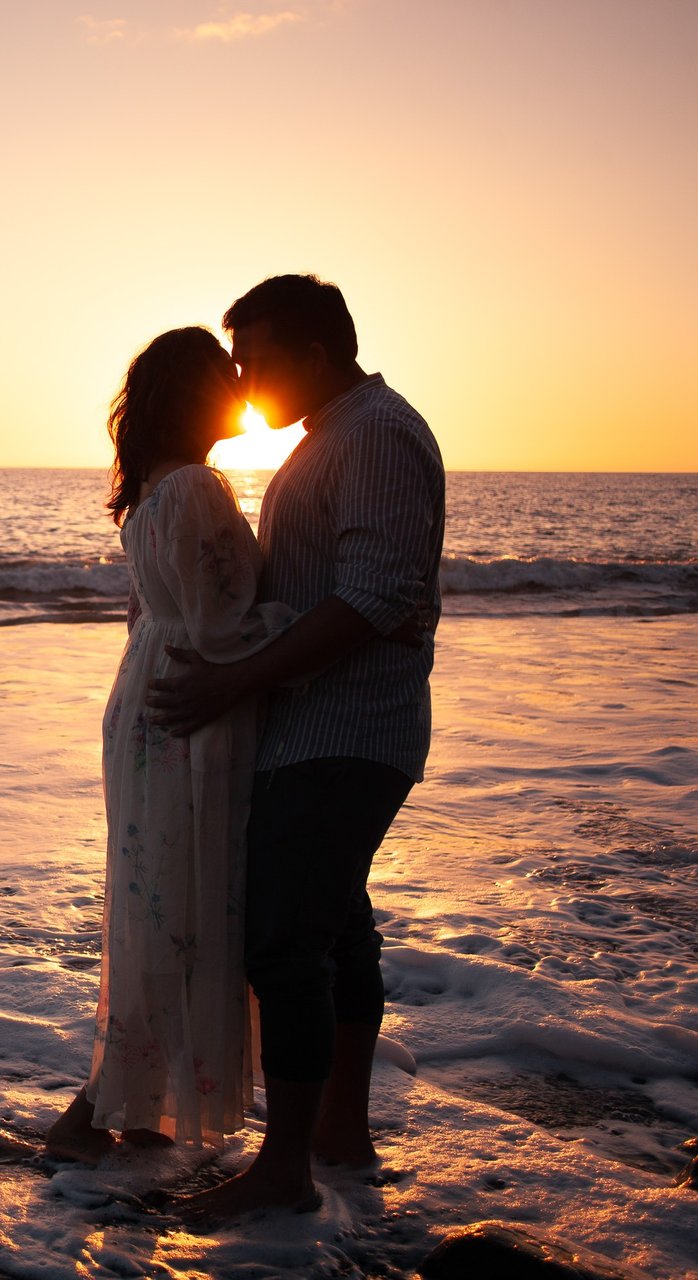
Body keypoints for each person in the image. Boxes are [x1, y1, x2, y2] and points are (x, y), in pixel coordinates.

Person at [147, 275, 444, 1221]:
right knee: (330, 930)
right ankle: (337, 1136)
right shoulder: (329, 441)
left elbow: (378, 594)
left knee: (282, 942)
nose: (242, 379)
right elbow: (335, 588)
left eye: (258, 357)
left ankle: (286, 1174)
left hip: (350, 730)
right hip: (312, 730)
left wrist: (235, 679)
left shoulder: (379, 435)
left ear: (319, 351)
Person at [44, 326, 293, 1163]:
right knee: (183, 905)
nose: (242, 385)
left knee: (157, 908)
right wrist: (314, 621)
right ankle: (96, 1115)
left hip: (146, 700)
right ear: (195, 395)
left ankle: (134, 1114)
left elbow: (167, 611)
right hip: (189, 705)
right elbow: (222, 629)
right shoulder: (194, 488)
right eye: (226, 375)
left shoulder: (153, 491)